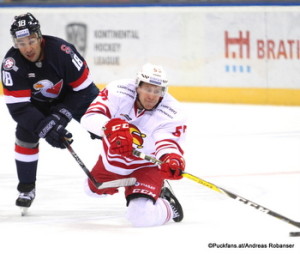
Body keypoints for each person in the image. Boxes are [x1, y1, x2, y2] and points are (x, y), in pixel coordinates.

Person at [1, 13, 99, 211]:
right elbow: (19, 108)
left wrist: (60, 116)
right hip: (39, 105)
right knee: (25, 134)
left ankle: (136, 166)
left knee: (105, 125)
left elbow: (84, 89)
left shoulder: (62, 51)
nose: (27, 48)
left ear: (39, 36)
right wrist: (46, 128)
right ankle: (27, 188)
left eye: (31, 40)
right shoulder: (11, 65)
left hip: (75, 97)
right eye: (21, 42)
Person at [81, 63, 187, 227]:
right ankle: (148, 189)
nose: (152, 96)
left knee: (139, 217)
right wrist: (109, 127)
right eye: (148, 89)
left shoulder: (172, 111)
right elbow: (89, 118)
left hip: (145, 166)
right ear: (138, 86)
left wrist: (171, 157)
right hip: (113, 163)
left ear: (163, 92)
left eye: (157, 91)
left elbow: (166, 141)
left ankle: (168, 207)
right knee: (91, 190)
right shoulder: (119, 90)